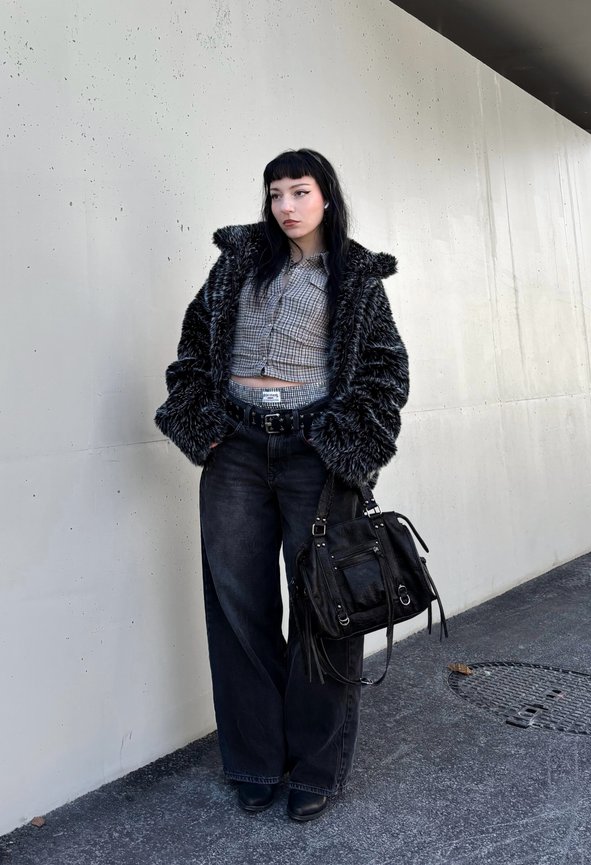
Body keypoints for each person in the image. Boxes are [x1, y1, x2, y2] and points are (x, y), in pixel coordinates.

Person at [155, 148, 409, 821]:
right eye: (275, 194)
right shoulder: (239, 262)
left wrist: (346, 442)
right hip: (236, 446)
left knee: (325, 607)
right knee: (239, 606)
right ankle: (255, 759)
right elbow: (194, 347)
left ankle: (316, 765)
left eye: (299, 191)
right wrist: (204, 425)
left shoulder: (356, 276)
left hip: (314, 453)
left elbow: (386, 370)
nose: (286, 206)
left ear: (326, 195)